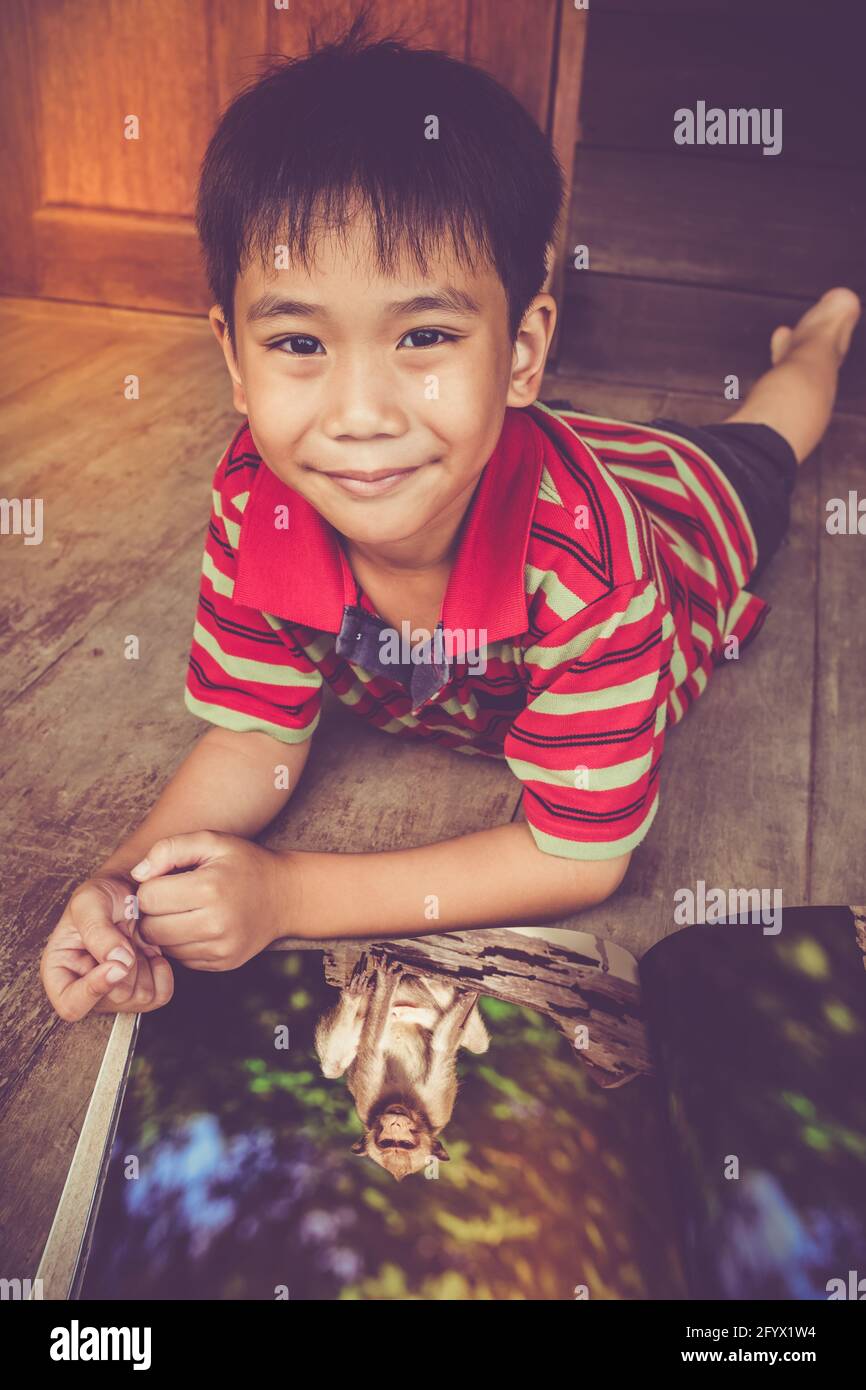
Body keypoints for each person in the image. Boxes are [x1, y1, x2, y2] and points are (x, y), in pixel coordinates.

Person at [40, 13, 861, 1021]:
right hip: (521, 453)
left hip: (682, 509)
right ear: (233, 358)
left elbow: (579, 854)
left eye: (422, 334)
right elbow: (256, 731)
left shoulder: (590, 569)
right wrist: (124, 886)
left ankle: (815, 339)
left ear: (521, 351)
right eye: (299, 344)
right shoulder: (260, 497)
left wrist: (288, 890)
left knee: (766, 433)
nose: (359, 416)